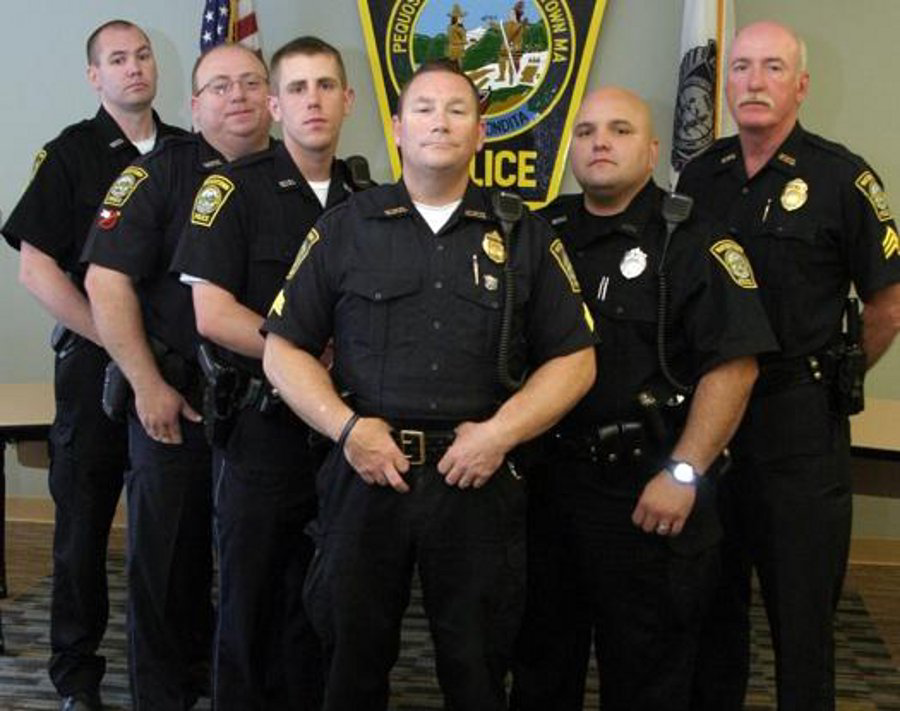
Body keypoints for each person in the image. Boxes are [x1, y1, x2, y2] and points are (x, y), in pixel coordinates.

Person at [261, 59, 596, 711]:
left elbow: (576, 360)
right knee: (350, 662)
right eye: (423, 109)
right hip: (365, 474)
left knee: (476, 667)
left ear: (480, 133)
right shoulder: (345, 227)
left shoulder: (521, 232)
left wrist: (500, 434)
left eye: (456, 110)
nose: (438, 122)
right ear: (396, 128)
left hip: (475, 478)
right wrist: (347, 429)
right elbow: (282, 349)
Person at [509, 87, 777, 711]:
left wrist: (684, 473)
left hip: (646, 493)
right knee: (540, 666)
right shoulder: (537, 233)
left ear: (654, 149)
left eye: (621, 130)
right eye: (587, 131)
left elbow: (734, 368)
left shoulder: (695, 242)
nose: (601, 142)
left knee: (648, 674)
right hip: (547, 488)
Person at [677, 21, 900, 710]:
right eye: (741, 67)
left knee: (801, 621)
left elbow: (887, 304)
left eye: (773, 67)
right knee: (712, 612)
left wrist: (835, 371)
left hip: (796, 424)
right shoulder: (701, 174)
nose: (753, 81)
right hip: (713, 421)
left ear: (800, 85)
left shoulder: (843, 178)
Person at [81, 44, 272, 709]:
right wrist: (146, 384)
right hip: (177, 404)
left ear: (273, 97)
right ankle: (166, 695)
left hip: (272, 413)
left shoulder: (299, 175)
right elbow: (106, 281)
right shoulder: (159, 174)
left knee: (264, 571)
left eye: (251, 82)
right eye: (219, 86)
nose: (238, 95)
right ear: (194, 105)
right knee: (167, 568)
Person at [172, 36, 359, 710]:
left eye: (325, 86)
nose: (313, 101)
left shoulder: (365, 196)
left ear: (348, 101)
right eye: (298, 89)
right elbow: (213, 313)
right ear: (276, 106)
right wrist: (301, 355)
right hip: (263, 427)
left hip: (340, 433)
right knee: (251, 600)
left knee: (325, 598)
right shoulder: (232, 189)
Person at [0, 20, 183, 711]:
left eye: (141, 56)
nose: (134, 68)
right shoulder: (72, 153)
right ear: (94, 77)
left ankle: (177, 670)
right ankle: (77, 678)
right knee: (82, 535)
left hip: (174, 373)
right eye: (117, 59)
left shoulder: (189, 153)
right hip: (95, 373)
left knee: (171, 537)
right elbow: (36, 271)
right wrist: (116, 338)